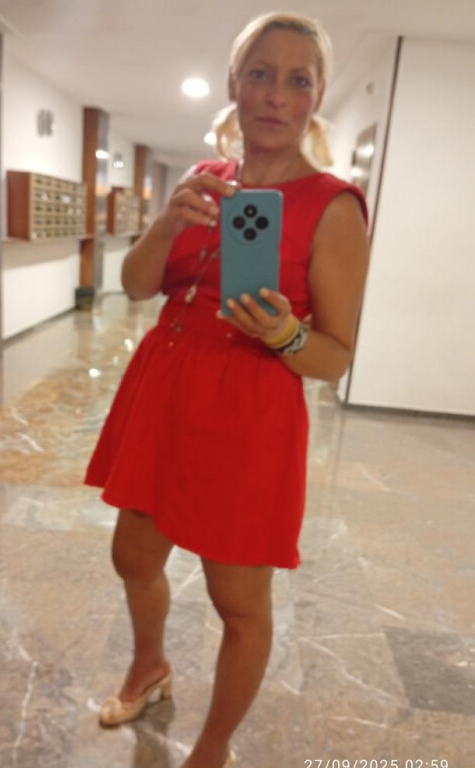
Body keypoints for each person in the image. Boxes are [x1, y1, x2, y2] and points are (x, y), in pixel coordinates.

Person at [85, 11, 369, 768]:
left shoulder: (334, 207)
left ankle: (213, 746)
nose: (276, 95)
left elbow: (334, 356)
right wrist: (163, 224)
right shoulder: (204, 181)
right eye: (261, 74)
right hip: (166, 393)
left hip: (250, 411)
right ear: (234, 84)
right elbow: (137, 286)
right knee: (132, 557)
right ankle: (150, 667)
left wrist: (285, 334)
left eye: (297, 80)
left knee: (238, 603)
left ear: (316, 97)